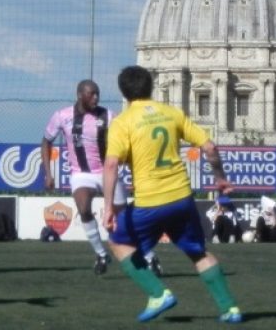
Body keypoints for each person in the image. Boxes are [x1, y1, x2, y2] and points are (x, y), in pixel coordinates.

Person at [102, 65, 243, 324]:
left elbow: (111, 165)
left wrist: (108, 206)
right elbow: (209, 147)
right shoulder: (171, 113)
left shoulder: (123, 122)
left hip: (150, 202)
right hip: (181, 198)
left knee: (118, 242)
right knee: (198, 252)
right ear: (151, 87)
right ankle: (230, 308)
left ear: (124, 92)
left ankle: (158, 293)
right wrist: (220, 178)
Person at [42, 79, 136, 275]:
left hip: (107, 173)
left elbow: (128, 144)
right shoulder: (63, 116)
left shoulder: (109, 116)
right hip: (81, 174)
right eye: (91, 94)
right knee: (83, 208)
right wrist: (48, 173)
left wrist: (134, 174)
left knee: (122, 219)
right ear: (80, 95)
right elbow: (46, 141)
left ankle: (148, 257)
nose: (96, 98)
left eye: (97, 94)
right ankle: (101, 254)